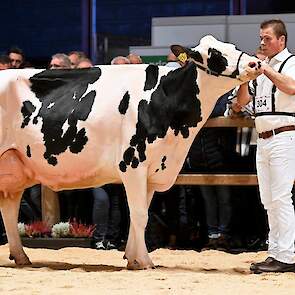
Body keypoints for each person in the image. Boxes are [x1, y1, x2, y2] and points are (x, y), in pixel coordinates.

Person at [236, 19, 295, 273]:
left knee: (282, 198)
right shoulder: (263, 69)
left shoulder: (290, 63)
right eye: (261, 38)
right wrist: (243, 77)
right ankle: (275, 252)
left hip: (284, 135)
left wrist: (264, 69)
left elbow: (291, 87)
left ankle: (288, 256)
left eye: (268, 38)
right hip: (263, 139)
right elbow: (241, 102)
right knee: (268, 200)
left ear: (281, 40)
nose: (262, 42)